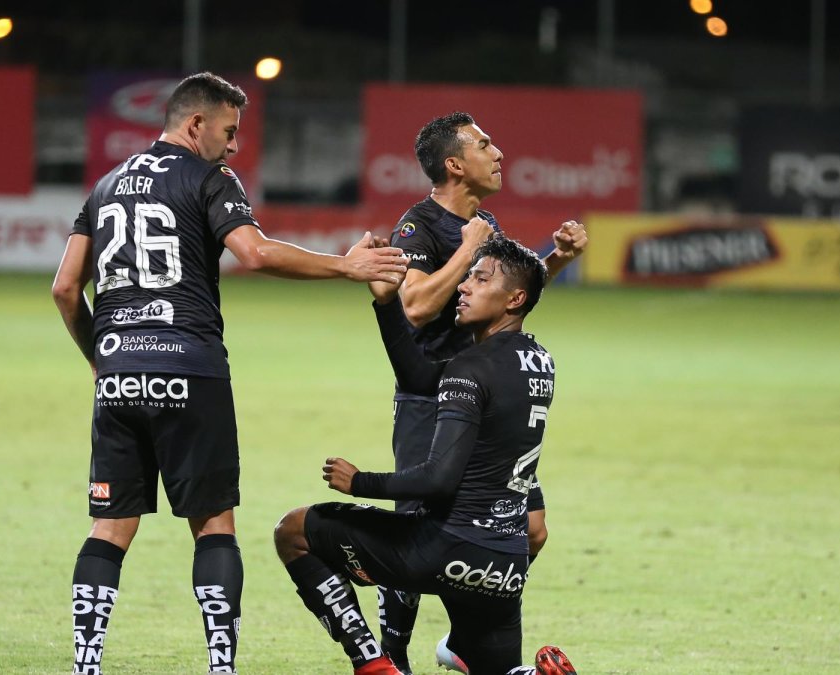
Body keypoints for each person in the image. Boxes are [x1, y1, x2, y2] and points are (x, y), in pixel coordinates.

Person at [51, 71, 407, 675]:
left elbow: (64, 288)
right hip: (189, 368)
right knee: (213, 525)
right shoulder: (210, 178)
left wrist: (98, 356)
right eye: (229, 130)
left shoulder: (106, 186)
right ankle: (221, 666)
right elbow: (255, 252)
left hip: (117, 374)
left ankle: (86, 665)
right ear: (195, 125)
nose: (234, 144)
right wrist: (346, 268)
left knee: (109, 525)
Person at [274, 237, 578, 675]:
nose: (464, 287)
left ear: (516, 298)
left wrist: (360, 482)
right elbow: (419, 376)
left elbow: (438, 479)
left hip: (446, 549)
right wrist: (386, 305)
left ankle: (373, 662)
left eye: (480, 278)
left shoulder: (471, 367)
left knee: (294, 530)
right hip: (506, 565)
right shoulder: (539, 361)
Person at [375, 111, 587, 671]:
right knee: (414, 539)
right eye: (484, 144)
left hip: (491, 405)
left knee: (530, 531)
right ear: (454, 164)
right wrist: (469, 252)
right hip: (432, 404)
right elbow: (414, 306)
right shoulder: (417, 226)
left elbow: (508, 295)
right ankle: (389, 657)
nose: (498, 152)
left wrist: (556, 260)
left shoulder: (484, 222)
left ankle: (463, 641)